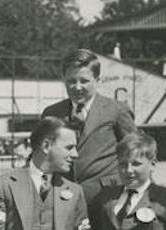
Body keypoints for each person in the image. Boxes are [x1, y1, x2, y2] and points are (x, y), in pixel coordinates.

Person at [42, 48, 137, 203]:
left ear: (97, 79)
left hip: (107, 199)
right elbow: (41, 156)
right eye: (71, 81)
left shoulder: (117, 110)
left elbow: (137, 153)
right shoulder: (51, 113)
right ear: (63, 79)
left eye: (84, 81)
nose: (77, 87)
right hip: (63, 199)